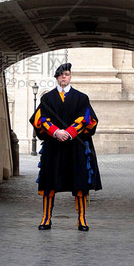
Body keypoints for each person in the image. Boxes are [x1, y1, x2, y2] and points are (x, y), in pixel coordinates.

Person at [30, 63, 101, 231]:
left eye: (67, 74)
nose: (64, 77)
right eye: (61, 75)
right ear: (56, 77)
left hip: (76, 146)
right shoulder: (47, 99)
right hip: (53, 146)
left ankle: (82, 219)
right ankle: (46, 218)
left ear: (70, 77)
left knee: (80, 182)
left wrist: (68, 132)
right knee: (49, 182)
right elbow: (40, 119)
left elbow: (87, 119)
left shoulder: (81, 98)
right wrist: (55, 132)